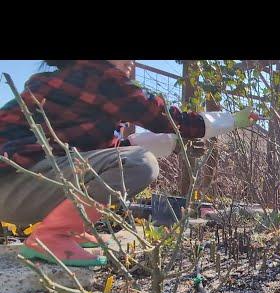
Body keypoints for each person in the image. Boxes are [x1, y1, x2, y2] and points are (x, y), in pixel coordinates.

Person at [0, 60, 258, 267]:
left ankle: (67, 230)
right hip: (17, 184)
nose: (131, 65)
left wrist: (172, 143)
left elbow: (105, 154)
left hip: (17, 187)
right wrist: (230, 120)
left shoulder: (70, 83)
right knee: (140, 163)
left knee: (129, 159)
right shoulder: (98, 73)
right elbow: (165, 117)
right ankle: (52, 235)